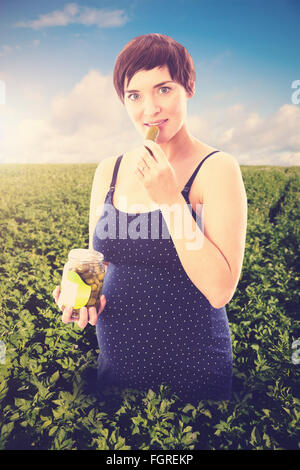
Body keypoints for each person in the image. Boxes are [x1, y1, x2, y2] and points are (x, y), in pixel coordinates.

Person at [53, 33, 247, 404]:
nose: (150, 109)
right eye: (134, 95)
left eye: (164, 89)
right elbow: (101, 262)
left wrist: (170, 199)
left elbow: (220, 290)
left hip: (195, 371)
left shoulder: (218, 168)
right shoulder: (108, 171)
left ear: (187, 87)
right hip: (118, 366)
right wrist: (82, 299)